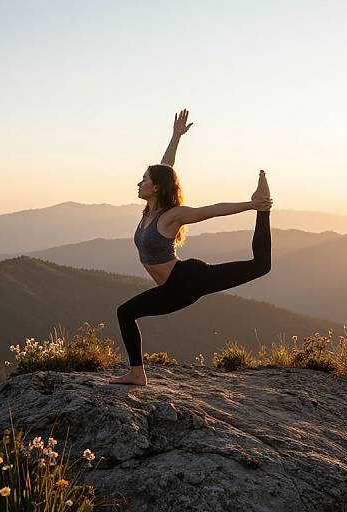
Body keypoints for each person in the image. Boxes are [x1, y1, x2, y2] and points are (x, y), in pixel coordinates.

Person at [110, 109, 272, 385]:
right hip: (173, 288)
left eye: (144, 180)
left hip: (187, 280)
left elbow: (211, 210)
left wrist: (251, 205)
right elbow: (166, 169)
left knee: (261, 266)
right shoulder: (149, 211)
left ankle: (263, 208)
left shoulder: (171, 216)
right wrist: (175, 137)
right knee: (125, 313)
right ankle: (137, 373)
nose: (139, 183)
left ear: (156, 188)